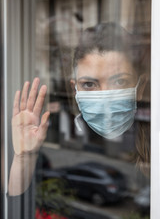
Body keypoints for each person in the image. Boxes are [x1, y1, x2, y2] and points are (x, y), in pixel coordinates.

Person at [8, 22, 150, 197]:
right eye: (89, 84)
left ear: (140, 87)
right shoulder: (62, 132)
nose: (105, 97)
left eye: (119, 81)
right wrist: (24, 158)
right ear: (75, 90)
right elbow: (15, 201)